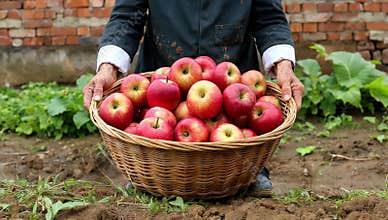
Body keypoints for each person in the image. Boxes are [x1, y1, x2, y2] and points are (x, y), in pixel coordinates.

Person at [83, 0, 304, 197]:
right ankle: (151, 174)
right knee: (157, 134)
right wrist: (108, 69)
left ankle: (248, 171)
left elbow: (269, 18)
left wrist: (283, 66)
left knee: (238, 131)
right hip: (164, 82)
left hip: (232, 83)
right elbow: (127, 17)